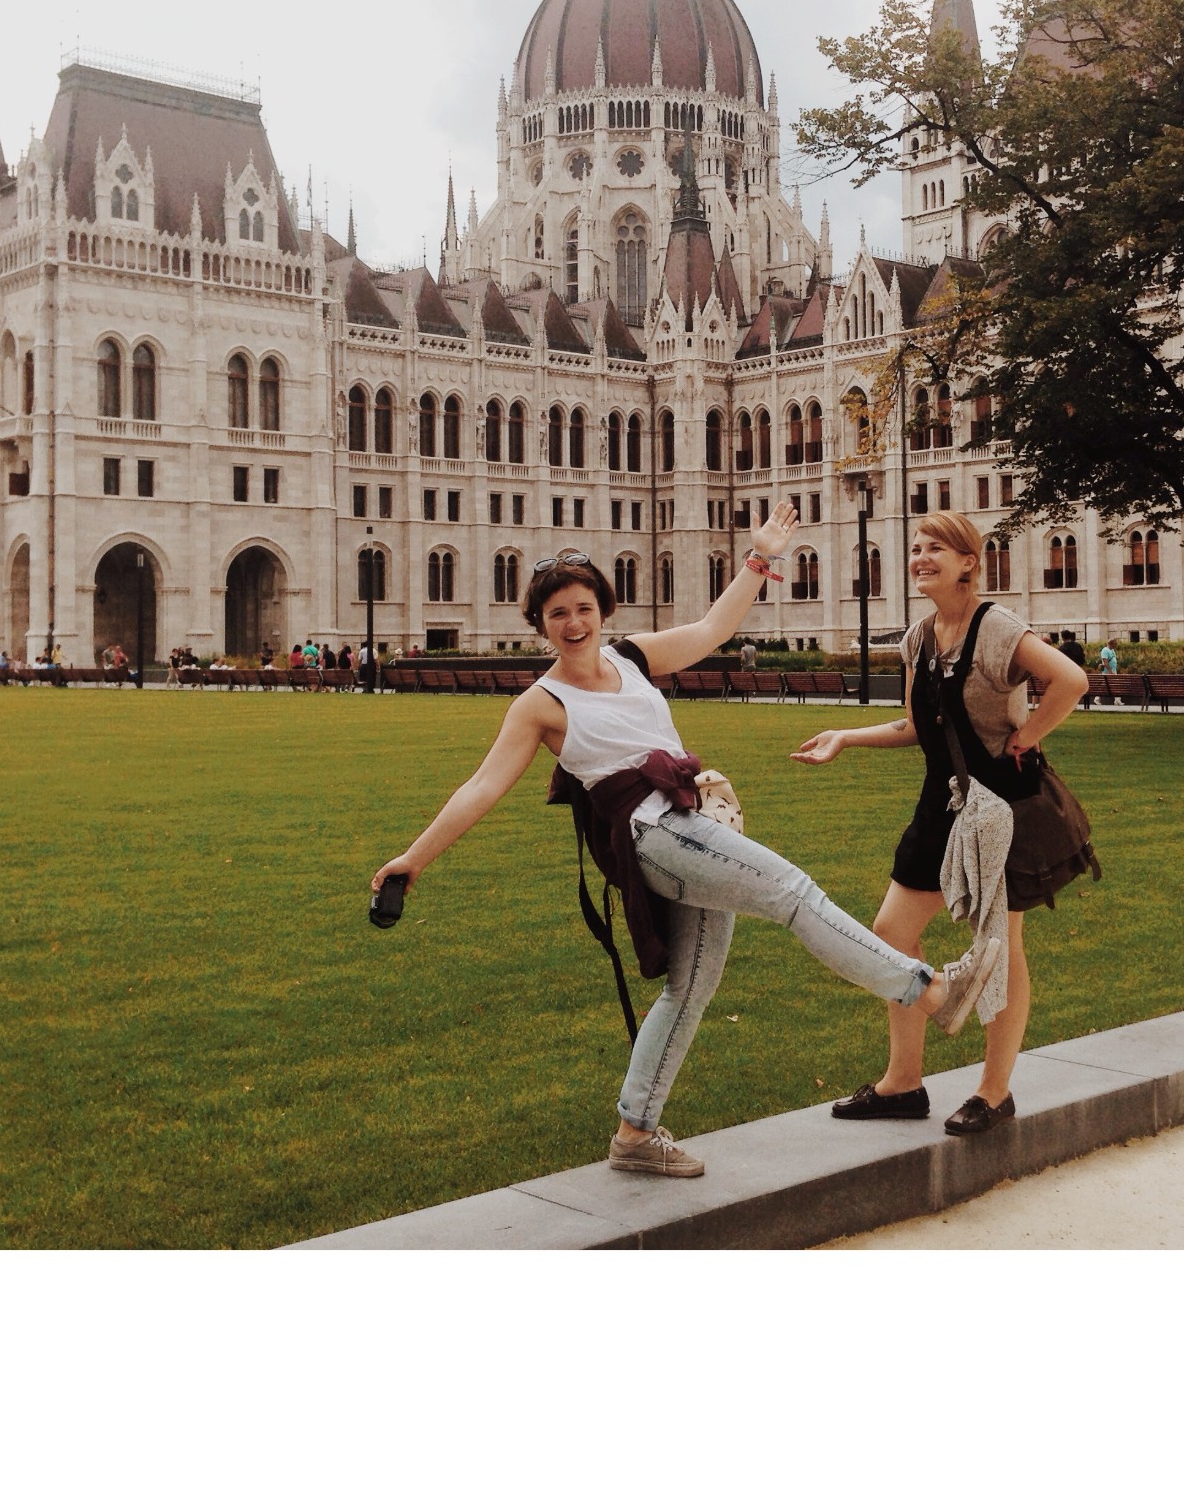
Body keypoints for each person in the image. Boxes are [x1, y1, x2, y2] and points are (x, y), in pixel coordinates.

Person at [368, 503, 993, 1179]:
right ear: (540, 626)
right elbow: (481, 788)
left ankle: (634, 1133)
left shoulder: (630, 658)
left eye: (583, 608)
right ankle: (931, 992)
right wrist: (413, 857)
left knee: (690, 988)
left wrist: (759, 560)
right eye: (558, 615)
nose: (574, 623)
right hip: (657, 834)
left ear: (602, 611)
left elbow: (712, 628)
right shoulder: (540, 704)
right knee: (790, 892)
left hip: (693, 820)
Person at [792, 512, 1089, 1136]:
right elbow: (913, 727)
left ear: (968, 563)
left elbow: (1070, 679)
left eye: (936, 549)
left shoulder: (997, 628)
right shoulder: (920, 638)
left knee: (999, 950)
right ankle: (903, 1083)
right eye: (917, 548)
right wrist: (846, 737)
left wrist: (1028, 736)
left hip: (997, 808)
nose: (921, 557)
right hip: (942, 801)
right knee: (891, 932)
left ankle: (994, 1091)